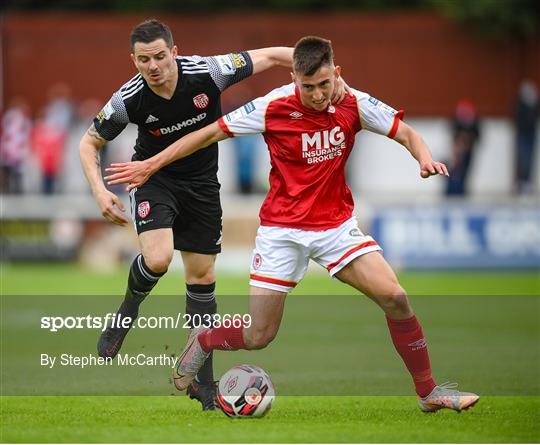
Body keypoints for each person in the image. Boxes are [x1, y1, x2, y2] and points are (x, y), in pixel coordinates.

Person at [104, 36, 479, 412]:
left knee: (395, 298)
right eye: (307, 86)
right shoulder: (272, 106)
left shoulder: (354, 102)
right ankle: (204, 340)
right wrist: (151, 165)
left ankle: (429, 393)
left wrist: (424, 158)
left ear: (337, 73)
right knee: (258, 335)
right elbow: (208, 133)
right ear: (295, 78)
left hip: (335, 228)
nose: (317, 95)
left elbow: (407, 133)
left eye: (323, 85)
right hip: (281, 233)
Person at [80, 20, 350, 410]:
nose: (153, 66)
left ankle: (203, 385)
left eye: (160, 57)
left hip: (203, 186)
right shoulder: (129, 98)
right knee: (157, 258)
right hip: (153, 178)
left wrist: (322, 76)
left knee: (202, 277)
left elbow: (273, 56)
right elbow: (89, 143)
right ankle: (127, 311)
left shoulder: (210, 71)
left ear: (174, 52)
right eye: (144, 60)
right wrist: (100, 192)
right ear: (133, 61)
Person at [445, 99, 480, 196]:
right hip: (458, 151)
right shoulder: (457, 122)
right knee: (454, 173)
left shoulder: (474, 122)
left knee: (465, 173)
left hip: (467, 151)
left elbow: (477, 136)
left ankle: (462, 191)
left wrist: (467, 142)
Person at [514, 79, 539, 194]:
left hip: (531, 134)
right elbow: (518, 119)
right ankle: (520, 182)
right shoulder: (520, 104)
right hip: (522, 134)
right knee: (522, 158)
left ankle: (527, 182)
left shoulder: (535, 104)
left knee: (530, 159)